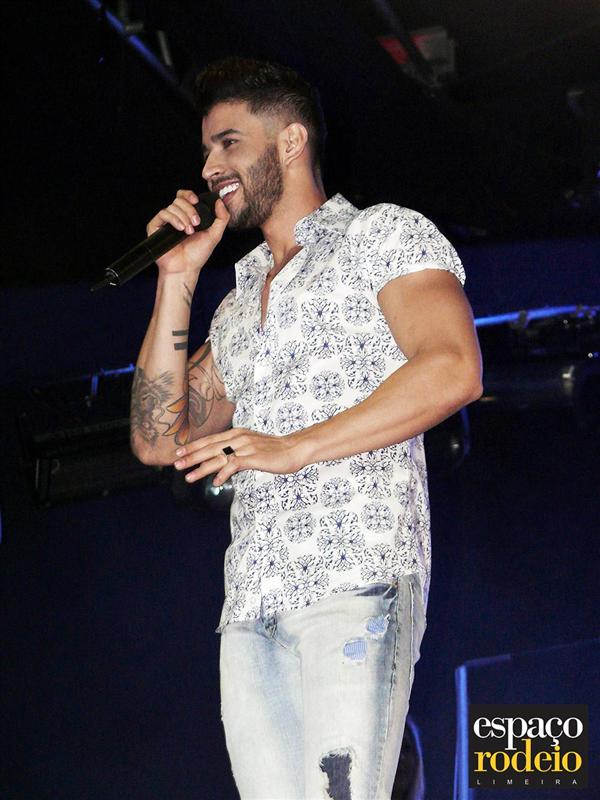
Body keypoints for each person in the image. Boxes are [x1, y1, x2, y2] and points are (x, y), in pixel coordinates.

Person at [130, 57, 482, 799]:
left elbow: (454, 367)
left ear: (290, 141)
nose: (209, 167)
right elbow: (158, 437)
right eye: (206, 149)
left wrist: (296, 447)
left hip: (355, 581)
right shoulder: (238, 301)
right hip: (252, 603)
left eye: (228, 143)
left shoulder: (380, 235)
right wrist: (176, 279)